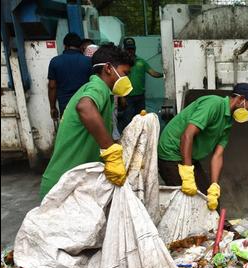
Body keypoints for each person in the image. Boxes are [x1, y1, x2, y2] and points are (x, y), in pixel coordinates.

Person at [39, 43, 135, 199]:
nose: (127, 79)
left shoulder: (102, 93)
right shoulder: (98, 87)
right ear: (108, 68)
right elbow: (84, 107)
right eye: (125, 73)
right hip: (62, 188)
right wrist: (111, 153)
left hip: (72, 185)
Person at [157, 83, 248, 210]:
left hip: (190, 157)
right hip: (171, 153)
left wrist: (214, 186)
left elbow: (218, 155)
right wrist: (188, 174)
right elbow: (187, 136)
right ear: (240, 99)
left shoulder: (228, 121)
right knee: (189, 203)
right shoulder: (213, 104)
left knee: (210, 202)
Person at [117, 37, 164, 132]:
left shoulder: (141, 62)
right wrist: (121, 97)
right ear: (124, 49)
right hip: (127, 97)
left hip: (140, 97)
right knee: (128, 121)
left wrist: (165, 75)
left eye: (132, 49)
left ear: (135, 49)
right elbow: (118, 80)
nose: (130, 51)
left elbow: (152, 73)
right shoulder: (120, 63)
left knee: (142, 120)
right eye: (128, 49)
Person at [47, 32, 92, 119]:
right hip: (86, 104)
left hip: (65, 106)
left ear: (65, 46)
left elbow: (52, 86)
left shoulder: (55, 61)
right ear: (80, 46)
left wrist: (52, 107)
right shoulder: (88, 61)